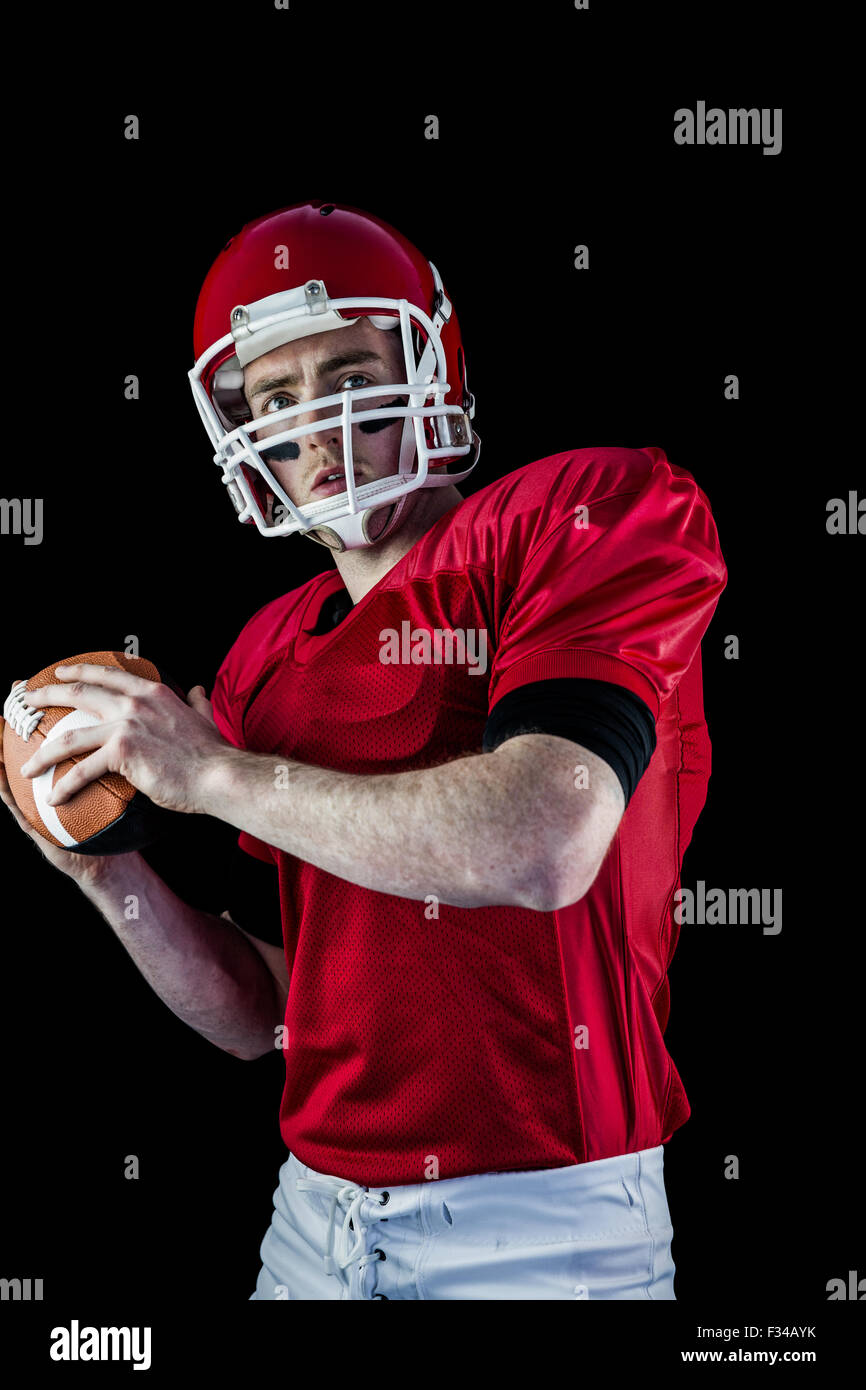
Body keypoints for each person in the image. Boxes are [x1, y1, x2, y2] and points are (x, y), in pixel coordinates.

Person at [0, 201, 727, 1300]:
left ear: (434, 371)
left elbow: (543, 840)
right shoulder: (260, 656)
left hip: (538, 1227)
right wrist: (112, 877)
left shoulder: (580, 511)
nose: (317, 431)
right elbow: (270, 1015)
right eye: (279, 401)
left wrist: (209, 776)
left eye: (348, 377)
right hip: (308, 1222)